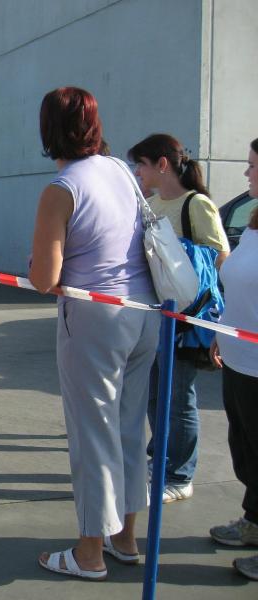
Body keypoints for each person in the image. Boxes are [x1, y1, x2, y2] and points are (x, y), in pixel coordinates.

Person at [30, 87, 160, 581]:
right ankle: (124, 537)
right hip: (144, 310)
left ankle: (89, 553)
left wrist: (39, 262)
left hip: (94, 318)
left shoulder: (61, 189)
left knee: (92, 433)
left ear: (49, 130)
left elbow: (45, 278)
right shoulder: (121, 171)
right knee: (129, 427)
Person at [128, 133, 230, 504]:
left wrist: (220, 320)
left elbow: (220, 258)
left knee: (179, 398)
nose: (137, 172)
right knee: (156, 396)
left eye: (141, 164)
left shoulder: (196, 204)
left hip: (187, 322)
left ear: (162, 164)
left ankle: (180, 475)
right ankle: (160, 460)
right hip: (158, 318)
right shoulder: (152, 204)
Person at [209, 137, 258, 581]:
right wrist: (222, 332)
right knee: (245, 451)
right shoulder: (255, 222)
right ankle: (254, 522)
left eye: (253, 166)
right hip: (239, 359)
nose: (246, 174)